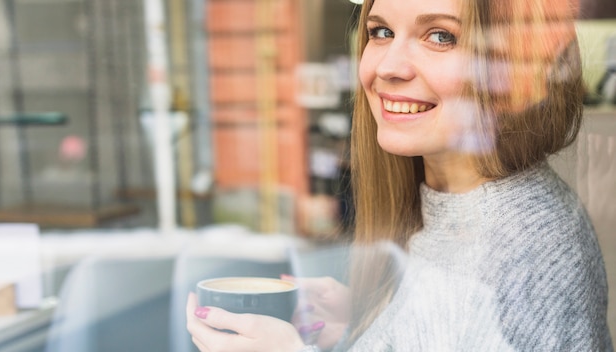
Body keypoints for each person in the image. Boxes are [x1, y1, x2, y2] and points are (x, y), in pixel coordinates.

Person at [186, 0, 614, 350]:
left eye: (441, 36)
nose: (388, 66)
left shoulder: (524, 248)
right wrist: (371, 325)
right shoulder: (454, 208)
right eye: (381, 32)